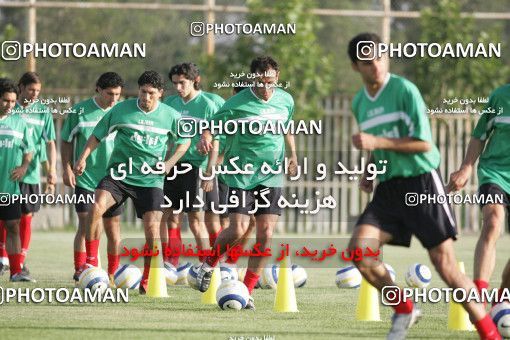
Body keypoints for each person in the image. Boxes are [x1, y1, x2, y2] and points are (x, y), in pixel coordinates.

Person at [346, 32, 501, 340]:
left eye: (379, 57)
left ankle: (490, 334)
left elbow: (423, 144)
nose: (375, 65)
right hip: (388, 190)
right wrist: (370, 170)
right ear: (356, 67)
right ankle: (404, 308)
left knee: (445, 266)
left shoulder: (405, 90)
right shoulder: (360, 102)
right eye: (367, 61)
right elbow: (377, 146)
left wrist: (376, 142)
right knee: (360, 253)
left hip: (421, 184)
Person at [195, 56, 298, 310]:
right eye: (260, 82)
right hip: (241, 174)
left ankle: (247, 291)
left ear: (277, 76)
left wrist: (293, 154)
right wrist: (205, 139)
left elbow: (287, 127)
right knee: (238, 230)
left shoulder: (286, 100)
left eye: (270, 82)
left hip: (271, 175)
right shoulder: (236, 103)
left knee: (266, 234)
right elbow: (211, 127)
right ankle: (209, 264)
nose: (265, 88)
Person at [73, 71, 190, 294]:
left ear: (160, 94)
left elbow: (184, 142)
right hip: (119, 175)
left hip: (150, 179)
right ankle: (90, 262)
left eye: (151, 93)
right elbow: (97, 135)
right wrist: (83, 158)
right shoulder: (121, 110)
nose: (146, 97)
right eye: (143, 92)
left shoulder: (171, 115)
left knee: (152, 228)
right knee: (96, 207)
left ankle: (147, 279)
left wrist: (169, 163)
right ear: (138, 90)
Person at [61, 72, 125, 282]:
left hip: (114, 179)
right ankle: (83, 269)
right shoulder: (79, 110)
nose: (114, 99)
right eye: (109, 94)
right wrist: (67, 167)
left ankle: (113, 273)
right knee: (86, 221)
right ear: (98, 89)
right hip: (86, 178)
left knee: (113, 228)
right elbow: (66, 140)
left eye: (117, 94)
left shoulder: (122, 110)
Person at [447, 82, 510, 295]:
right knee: (493, 222)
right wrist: (465, 169)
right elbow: (479, 135)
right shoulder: (499, 97)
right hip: (496, 172)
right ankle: (479, 297)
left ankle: (503, 298)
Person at [162, 63, 222, 267]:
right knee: (170, 216)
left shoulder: (208, 105)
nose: (178, 88)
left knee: (197, 220)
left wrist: (209, 171)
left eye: (182, 83)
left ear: (195, 80)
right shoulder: (169, 103)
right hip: (172, 167)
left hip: (197, 169)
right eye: (175, 84)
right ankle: (171, 264)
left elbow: (217, 141)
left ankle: (207, 266)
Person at [4, 72, 57, 275]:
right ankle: (4, 260)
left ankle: (20, 260)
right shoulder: (10, 107)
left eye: (38, 91)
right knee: (7, 219)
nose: (35, 94)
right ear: (21, 87)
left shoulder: (43, 112)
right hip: (8, 172)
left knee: (26, 216)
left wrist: (51, 170)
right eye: (31, 90)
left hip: (31, 173)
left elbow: (50, 143)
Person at [0, 78, 35, 282]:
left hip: (9, 187)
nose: (10, 105)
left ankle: (15, 272)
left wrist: (23, 167)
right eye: (6, 100)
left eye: (13, 101)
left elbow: (29, 149)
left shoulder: (19, 122)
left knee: (13, 226)